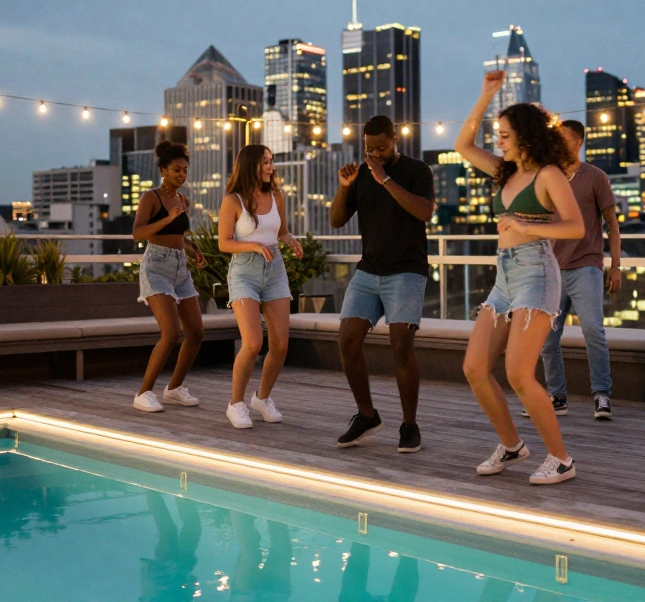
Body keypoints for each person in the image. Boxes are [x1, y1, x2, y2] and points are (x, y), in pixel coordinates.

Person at [454, 71, 584, 485]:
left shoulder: (549, 176)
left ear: (526, 136)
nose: (500, 142)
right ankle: (512, 445)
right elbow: (462, 146)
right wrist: (485, 94)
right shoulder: (504, 172)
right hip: (505, 275)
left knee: (518, 373)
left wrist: (529, 228)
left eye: (506, 135)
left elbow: (575, 228)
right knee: (475, 367)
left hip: (536, 274)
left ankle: (561, 459)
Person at [330, 115, 435, 453]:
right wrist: (345, 188)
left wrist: (385, 179)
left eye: (381, 147)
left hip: (407, 269)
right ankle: (367, 415)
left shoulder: (417, 171)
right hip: (368, 270)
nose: (374, 154)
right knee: (347, 341)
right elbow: (335, 220)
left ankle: (409, 425)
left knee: (401, 346)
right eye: (368, 148)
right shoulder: (361, 175)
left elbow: (424, 212)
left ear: (394, 139)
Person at [525, 119, 622, 420]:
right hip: (551, 270)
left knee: (593, 330)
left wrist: (615, 266)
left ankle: (602, 395)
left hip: (586, 267)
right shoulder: (547, 178)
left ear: (578, 142)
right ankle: (556, 397)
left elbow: (612, 225)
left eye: (562, 139)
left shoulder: (596, 177)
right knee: (547, 338)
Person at [217, 144, 304, 429]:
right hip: (244, 271)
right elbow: (223, 243)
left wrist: (290, 240)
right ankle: (235, 403)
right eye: (265, 162)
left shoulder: (277, 196)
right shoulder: (233, 200)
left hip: (275, 269)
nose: (271, 166)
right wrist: (253, 245)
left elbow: (280, 232)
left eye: (271, 161)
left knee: (280, 344)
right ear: (251, 164)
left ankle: (262, 398)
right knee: (253, 343)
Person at [132, 140, 207, 413]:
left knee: (196, 332)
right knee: (171, 332)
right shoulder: (150, 198)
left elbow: (178, 237)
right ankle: (143, 392)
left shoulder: (183, 200)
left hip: (179, 267)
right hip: (156, 266)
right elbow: (138, 233)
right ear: (164, 170)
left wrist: (194, 249)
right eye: (177, 170)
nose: (182, 175)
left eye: (185, 170)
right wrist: (167, 218)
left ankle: (174, 389)